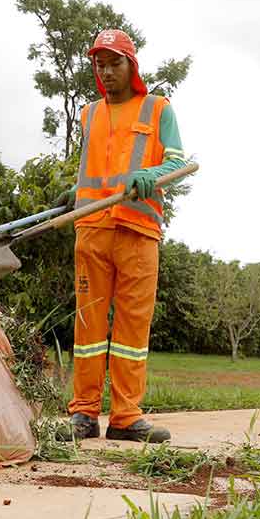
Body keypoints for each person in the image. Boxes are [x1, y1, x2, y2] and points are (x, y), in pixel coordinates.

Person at [57, 30, 189, 444]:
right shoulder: (89, 113)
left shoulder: (157, 108)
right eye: (100, 64)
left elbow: (177, 161)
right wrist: (74, 194)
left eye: (115, 62)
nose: (106, 70)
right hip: (92, 230)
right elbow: (92, 167)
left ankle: (126, 417)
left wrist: (151, 174)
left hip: (137, 231)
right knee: (88, 326)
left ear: (131, 65)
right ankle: (83, 413)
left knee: (133, 329)